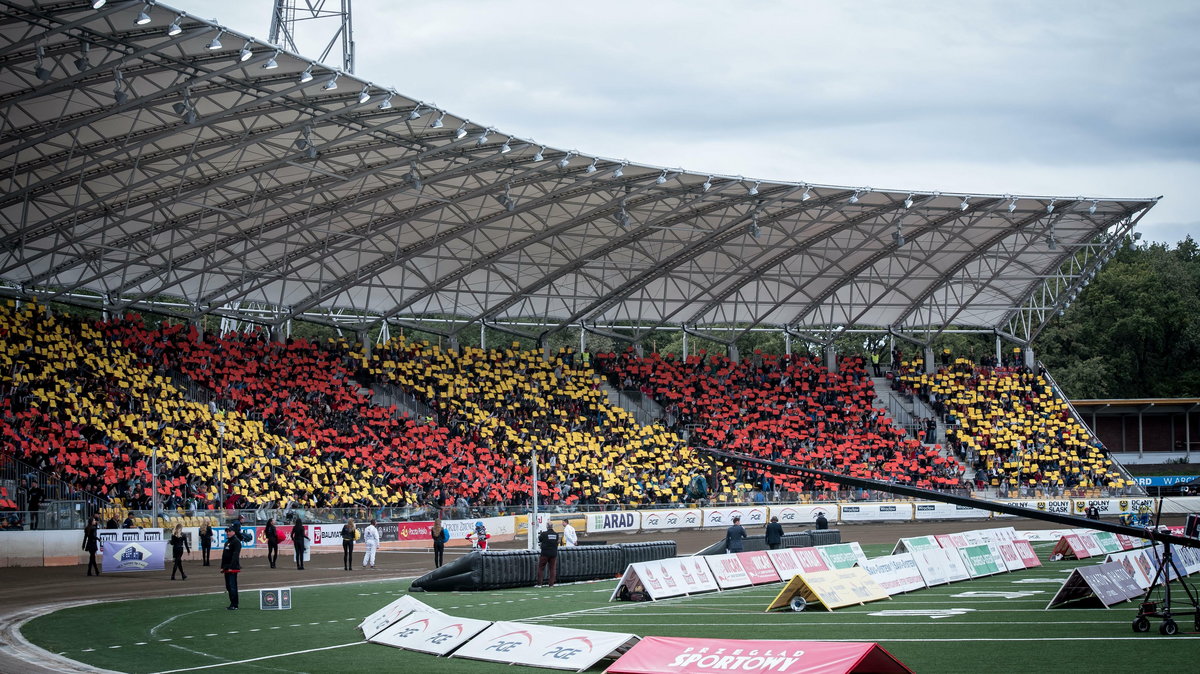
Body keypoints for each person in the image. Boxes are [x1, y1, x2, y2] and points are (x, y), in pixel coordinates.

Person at [219, 524, 242, 610]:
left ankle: (235, 604)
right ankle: (232, 603)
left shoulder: (236, 542)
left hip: (233, 567)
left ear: (234, 532)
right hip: (226, 567)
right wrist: (222, 566)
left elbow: (235, 556)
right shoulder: (227, 542)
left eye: (229, 531)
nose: (227, 533)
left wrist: (231, 567)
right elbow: (224, 556)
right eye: (227, 531)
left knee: (232, 586)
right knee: (228, 586)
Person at [536, 522, 560, 587]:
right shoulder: (556, 534)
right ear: (552, 526)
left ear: (547, 526)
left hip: (545, 553)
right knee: (552, 569)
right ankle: (551, 584)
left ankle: (539, 584)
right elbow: (557, 542)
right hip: (553, 553)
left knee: (541, 568)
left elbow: (540, 540)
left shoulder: (544, 534)